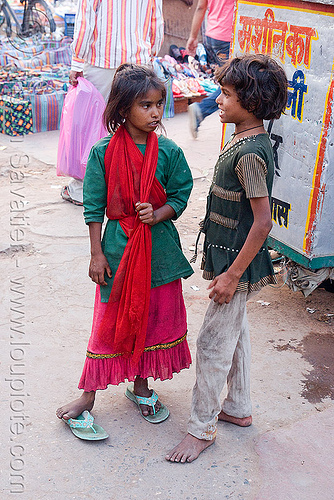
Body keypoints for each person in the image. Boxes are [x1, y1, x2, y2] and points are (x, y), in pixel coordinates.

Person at [56, 64, 194, 428]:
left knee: (149, 316)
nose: (154, 113)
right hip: (117, 248)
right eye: (145, 105)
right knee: (109, 320)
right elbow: (93, 205)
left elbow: (181, 194)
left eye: (158, 105)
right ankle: (88, 393)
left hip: (158, 250)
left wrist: (160, 211)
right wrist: (96, 253)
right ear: (122, 109)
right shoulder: (102, 152)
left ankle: (141, 384)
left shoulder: (169, 151)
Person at [165, 54, 288, 462]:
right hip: (229, 259)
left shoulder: (251, 153)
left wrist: (232, 276)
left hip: (237, 264)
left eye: (227, 94)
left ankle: (201, 428)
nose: (218, 99)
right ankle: (237, 407)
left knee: (214, 342)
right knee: (236, 335)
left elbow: (262, 223)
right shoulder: (241, 138)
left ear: (250, 103)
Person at [61, 0, 164, 206]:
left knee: (93, 124)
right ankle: (134, 188)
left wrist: (77, 61)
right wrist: (149, 57)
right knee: (136, 124)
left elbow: (86, 20)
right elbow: (156, 23)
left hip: (101, 60)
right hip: (138, 60)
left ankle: (84, 190)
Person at [186, 0, 234, 138]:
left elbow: (201, 7)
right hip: (228, 36)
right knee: (233, 82)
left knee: (228, 81)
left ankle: (201, 111)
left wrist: (193, 37)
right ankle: (201, 110)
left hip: (212, 36)